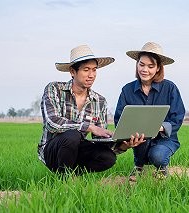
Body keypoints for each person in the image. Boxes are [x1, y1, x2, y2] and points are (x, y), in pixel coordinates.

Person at [38, 44, 145, 175]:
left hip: (77, 151)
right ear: (72, 71)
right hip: (52, 151)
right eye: (86, 70)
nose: (91, 75)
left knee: (108, 158)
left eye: (94, 70)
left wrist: (124, 145)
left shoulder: (99, 101)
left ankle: (74, 176)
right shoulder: (54, 89)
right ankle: (64, 181)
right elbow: (52, 122)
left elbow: (100, 142)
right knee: (73, 135)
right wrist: (90, 127)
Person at [114, 42, 185, 180]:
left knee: (157, 156)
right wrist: (129, 134)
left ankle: (161, 169)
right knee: (142, 138)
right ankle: (139, 166)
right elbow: (119, 119)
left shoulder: (170, 88)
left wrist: (159, 127)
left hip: (165, 140)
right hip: (139, 140)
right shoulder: (127, 90)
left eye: (150, 66)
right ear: (137, 65)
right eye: (141, 64)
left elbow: (177, 117)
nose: (145, 69)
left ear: (158, 68)